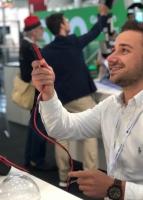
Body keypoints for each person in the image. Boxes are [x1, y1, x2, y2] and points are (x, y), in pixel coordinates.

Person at [31, 20, 143, 199]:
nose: (111, 58)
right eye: (114, 50)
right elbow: (63, 127)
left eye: (125, 50)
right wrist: (48, 92)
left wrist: (116, 189)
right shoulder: (112, 105)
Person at [40, 5, 109, 187]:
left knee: (61, 138)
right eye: (67, 20)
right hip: (80, 97)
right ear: (62, 25)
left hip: (60, 100)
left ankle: (64, 178)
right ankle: (88, 178)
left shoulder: (46, 51)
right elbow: (95, 31)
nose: (69, 22)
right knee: (91, 134)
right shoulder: (74, 42)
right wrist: (103, 15)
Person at [19, 15, 54, 171]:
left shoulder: (24, 45)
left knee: (33, 125)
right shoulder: (32, 48)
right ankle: (38, 160)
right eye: (40, 29)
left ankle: (29, 158)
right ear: (34, 31)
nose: (42, 31)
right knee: (40, 126)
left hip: (33, 91)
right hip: (37, 91)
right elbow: (40, 69)